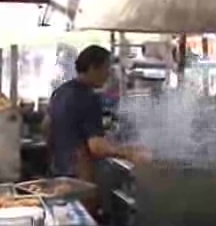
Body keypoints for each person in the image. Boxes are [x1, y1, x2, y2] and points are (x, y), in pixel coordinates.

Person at [42, 45, 148, 182]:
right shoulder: (88, 98)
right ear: (93, 68)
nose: (109, 74)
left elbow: (46, 126)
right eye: (106, 68)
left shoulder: (61, 91)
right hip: (79, 176)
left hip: (58, 170)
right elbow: (97, 147)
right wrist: (130, 152)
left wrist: (58, 154)